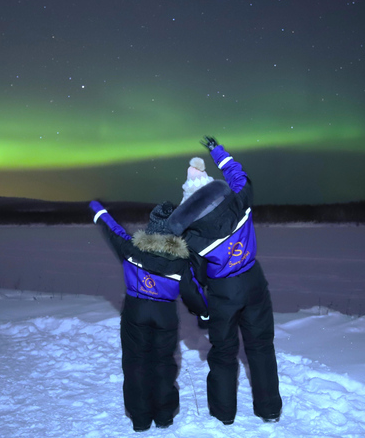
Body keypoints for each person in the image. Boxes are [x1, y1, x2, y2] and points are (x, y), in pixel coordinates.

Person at [168, 136, 282, 425]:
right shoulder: (239, 201)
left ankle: (223, 414)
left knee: (224, 353)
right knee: (261, 348)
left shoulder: (192, 237)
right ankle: (269, 409)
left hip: (223, 293)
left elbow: (191, 281)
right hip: (254, 281)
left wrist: (203, 310)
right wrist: (218, 152)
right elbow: (239, 176)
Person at [89, 200, 208, 432]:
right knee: (163, 363)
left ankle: (141, 418)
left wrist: (99, 211)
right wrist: (203, 313)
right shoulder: (181, 262)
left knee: (136, 363)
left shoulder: (131, 249)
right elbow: (192, 291)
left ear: (152, 225)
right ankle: (164, 415)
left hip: (136, 313)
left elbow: (115, 231)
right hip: (165, 316)